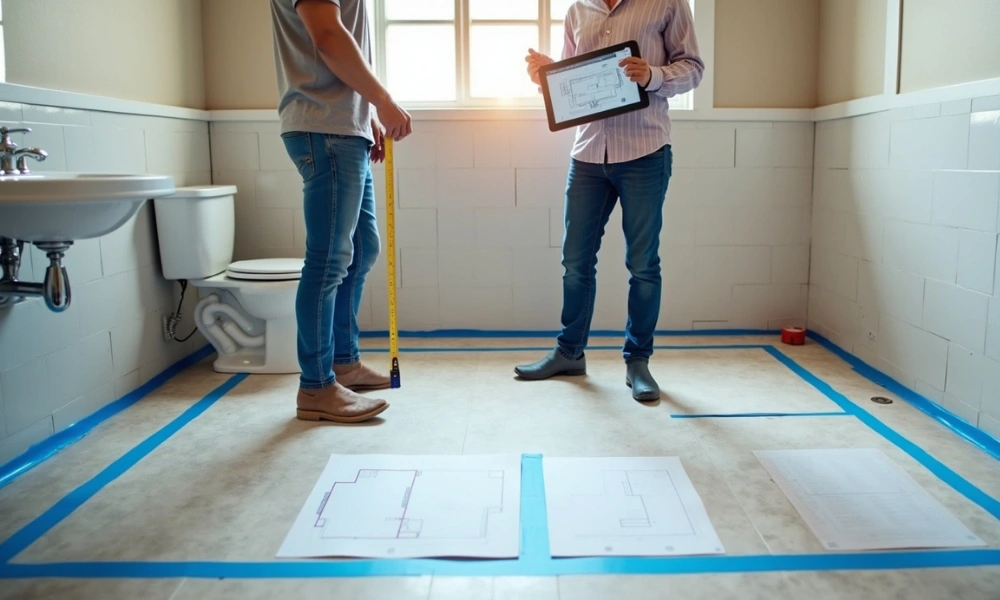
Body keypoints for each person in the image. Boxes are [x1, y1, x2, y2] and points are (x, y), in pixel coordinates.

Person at [515, 0, 704, 401]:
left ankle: (638, 362)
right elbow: (571, 85)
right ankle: (569, 352)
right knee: (575, 263)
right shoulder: (576, 10)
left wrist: (653, 75)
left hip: (646, 149)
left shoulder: (667, 3)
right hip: (587, 155)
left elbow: (693, 68)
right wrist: (545, 77)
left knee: (642, 264)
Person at [270, 0, 412, 422]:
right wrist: (381, 99)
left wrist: (364, 113)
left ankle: (344, 363)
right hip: (324, 128)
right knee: (328, 260)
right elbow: (327, 37)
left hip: (342, 127)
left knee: (363, 247)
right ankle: (315, 387)